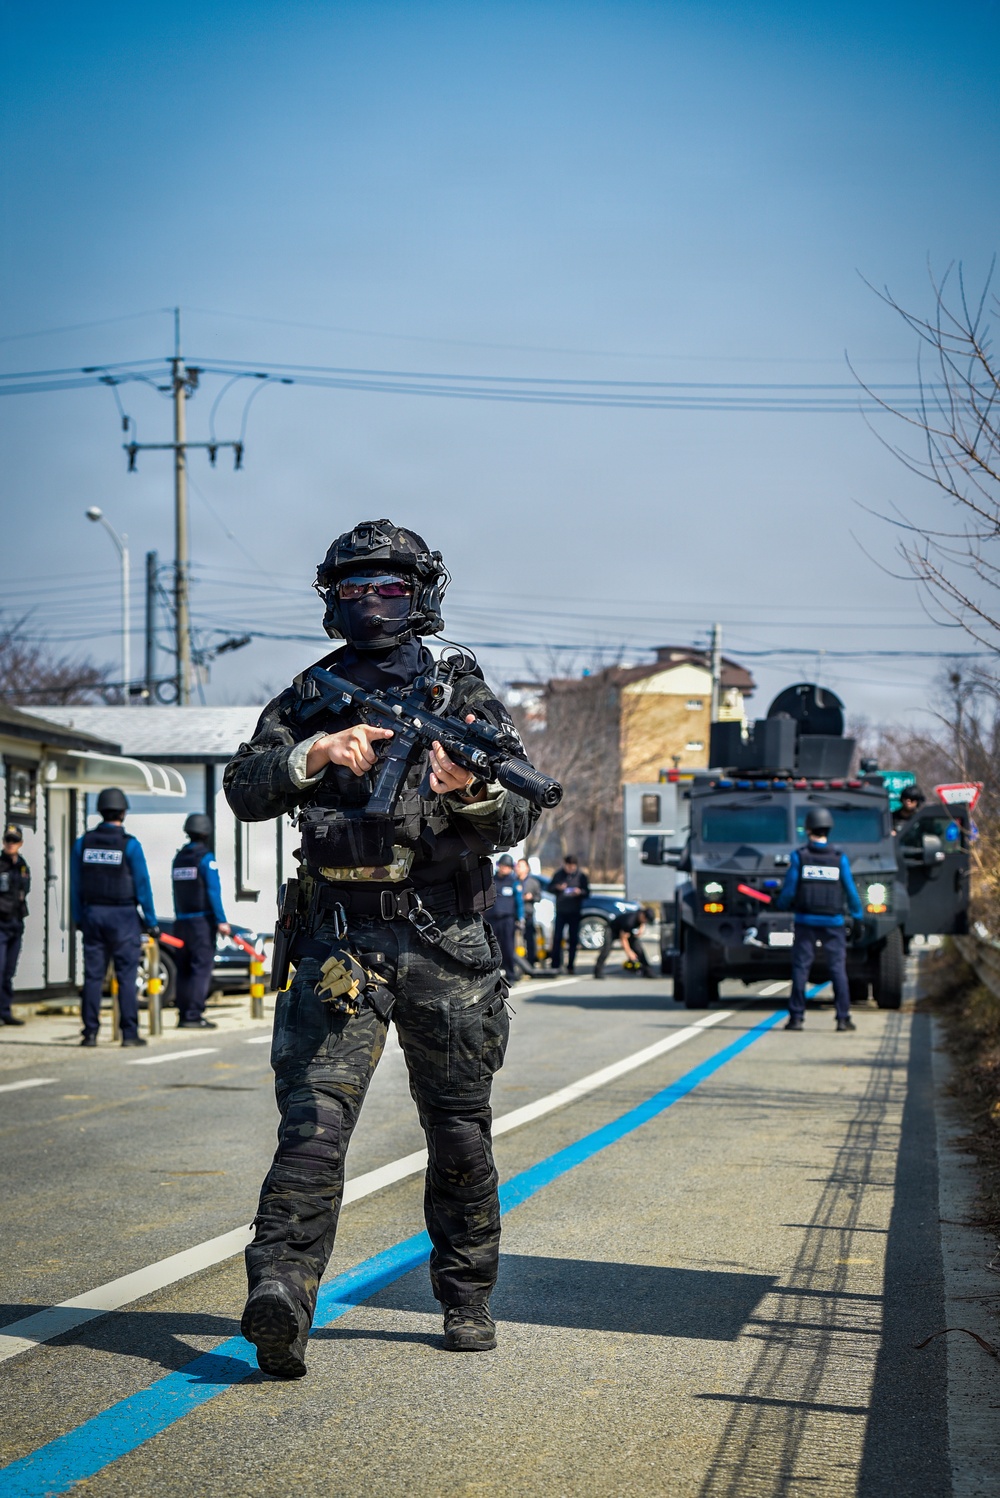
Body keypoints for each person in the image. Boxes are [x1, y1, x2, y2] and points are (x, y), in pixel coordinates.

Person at [224, 518, 542, 1377]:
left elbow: (518, 813)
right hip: (339, 943)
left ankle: (466, 1294)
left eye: (390, 590)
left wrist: (469, 791)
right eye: (353, 590)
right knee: (314, 1128)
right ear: (331, 600)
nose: (372, 604)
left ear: (422, 597)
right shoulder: (310, 693)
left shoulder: (459, 693)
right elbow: (245, 788)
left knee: (460, 1131)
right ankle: (281, 1294)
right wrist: (310, 756)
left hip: (447, 942)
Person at [72, 787, 158, 1048]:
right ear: (123, 812)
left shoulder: (83, 843)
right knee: (126, 976)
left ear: (100, 811)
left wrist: (79, 918)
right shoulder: (130, 845)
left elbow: (76, 885)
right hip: (123, 918)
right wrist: (151, 921)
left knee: (93, 977)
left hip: (93, 914)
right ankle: (129, 1034)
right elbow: (143, 885)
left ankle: (89, 1034)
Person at [774, 807, 864, 1032]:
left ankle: (796, 1019)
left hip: (806, 922)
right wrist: (858, 916)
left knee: (801, 969)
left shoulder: (799, 856)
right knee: (837, 970)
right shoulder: (838, 858)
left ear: (808, 830)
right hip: (833, 923)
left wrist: (781, 904)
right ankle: (843, 1019)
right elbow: (851, 891)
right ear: (829, 830)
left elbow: (789, 889)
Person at [171, 813, 231, 1029]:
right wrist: (221, 921)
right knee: (200, 968)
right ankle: (194, 1015)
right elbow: (213, 891)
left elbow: (176, 892)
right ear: (206, 833)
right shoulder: (206, 859)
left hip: (181, 922)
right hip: (201, 923)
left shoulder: (179, 859)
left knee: (184, 969)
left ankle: (183, 1013)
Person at [0, 824, 30, 1026]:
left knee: (9, 971)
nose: (11, 844)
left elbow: (24, 890)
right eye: (8, 840)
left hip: (16, 923)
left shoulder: (22, 865)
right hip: (0, 922)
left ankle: (5, 1011)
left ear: (20, 843)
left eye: (14, 841)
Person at [548, 855, 590, 972]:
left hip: (574, 911)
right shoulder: (558, 874)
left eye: (572, 867)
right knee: (557, 938)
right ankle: (555, 964)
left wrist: (579, 892)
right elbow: (549, 888)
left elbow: (587, 893)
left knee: (573, 939)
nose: (570, 869)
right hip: (561, 911)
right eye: (568, 866)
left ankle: (570, 965)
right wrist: (558, 887)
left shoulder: (581, 876)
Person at [593, 906, 653, 980]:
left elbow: (642, 922)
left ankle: (647, 972)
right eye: (645, 920)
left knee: (639, 950)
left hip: (626, 931)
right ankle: (597, 972)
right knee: (606, 950)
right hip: (612, 930)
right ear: (642, 915)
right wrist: (629, 953)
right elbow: (623, 939)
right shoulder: (630, 921)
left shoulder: (640, 914)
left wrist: (641, 928)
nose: (645, 922)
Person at [491, 854, 523, 983]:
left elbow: (519, 902)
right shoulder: (491, 880)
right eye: (503, 866)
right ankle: (493, 977)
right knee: (492, 948)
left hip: (508, 919)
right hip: (492, 919)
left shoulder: (514, 881)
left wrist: (520, 918)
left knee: (508, 948)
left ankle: (510, 975)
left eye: (508, 867)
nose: (505, 869)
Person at [516, 857, 541, 968]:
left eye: (520, 866)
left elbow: (538, 897)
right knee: (516, 942)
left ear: (527, 868)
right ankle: (517, 965)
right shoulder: (513, 880)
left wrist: (531, 897)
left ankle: (531, 963)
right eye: (517, 866)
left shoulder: (533, 882)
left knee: (530, 940)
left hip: (528, 914)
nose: (518, 868)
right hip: (515, 915)